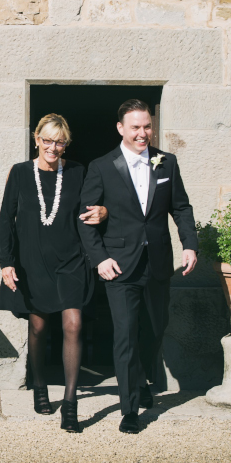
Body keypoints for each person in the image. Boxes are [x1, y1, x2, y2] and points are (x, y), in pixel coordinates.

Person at [78, 99, 198, 434]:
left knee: (156, 329)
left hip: (158, 262)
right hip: (119, 266)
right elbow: (85, 219)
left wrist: (189, 244)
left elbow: (181, 207)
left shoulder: (166, 162)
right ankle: (130, 409)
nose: (142, 133)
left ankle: (142, 378)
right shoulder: (102, 166)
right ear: (121, 128)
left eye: (147, 126)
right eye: (135, 127)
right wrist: (100, 258)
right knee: (126, 335)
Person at [0, 114, 107, 434]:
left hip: (71, 260)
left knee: (74, 323)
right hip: (32, 262)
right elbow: (6, 219)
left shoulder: (77, 172)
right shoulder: (20, 172)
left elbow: (93, 209)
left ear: (66, 144)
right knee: (39, 326)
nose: (53, 147)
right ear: (37, 139)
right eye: (47, 140)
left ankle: (70, 405)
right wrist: (6, 262)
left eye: (60, 142)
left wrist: (105, 212)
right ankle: (40, 385)